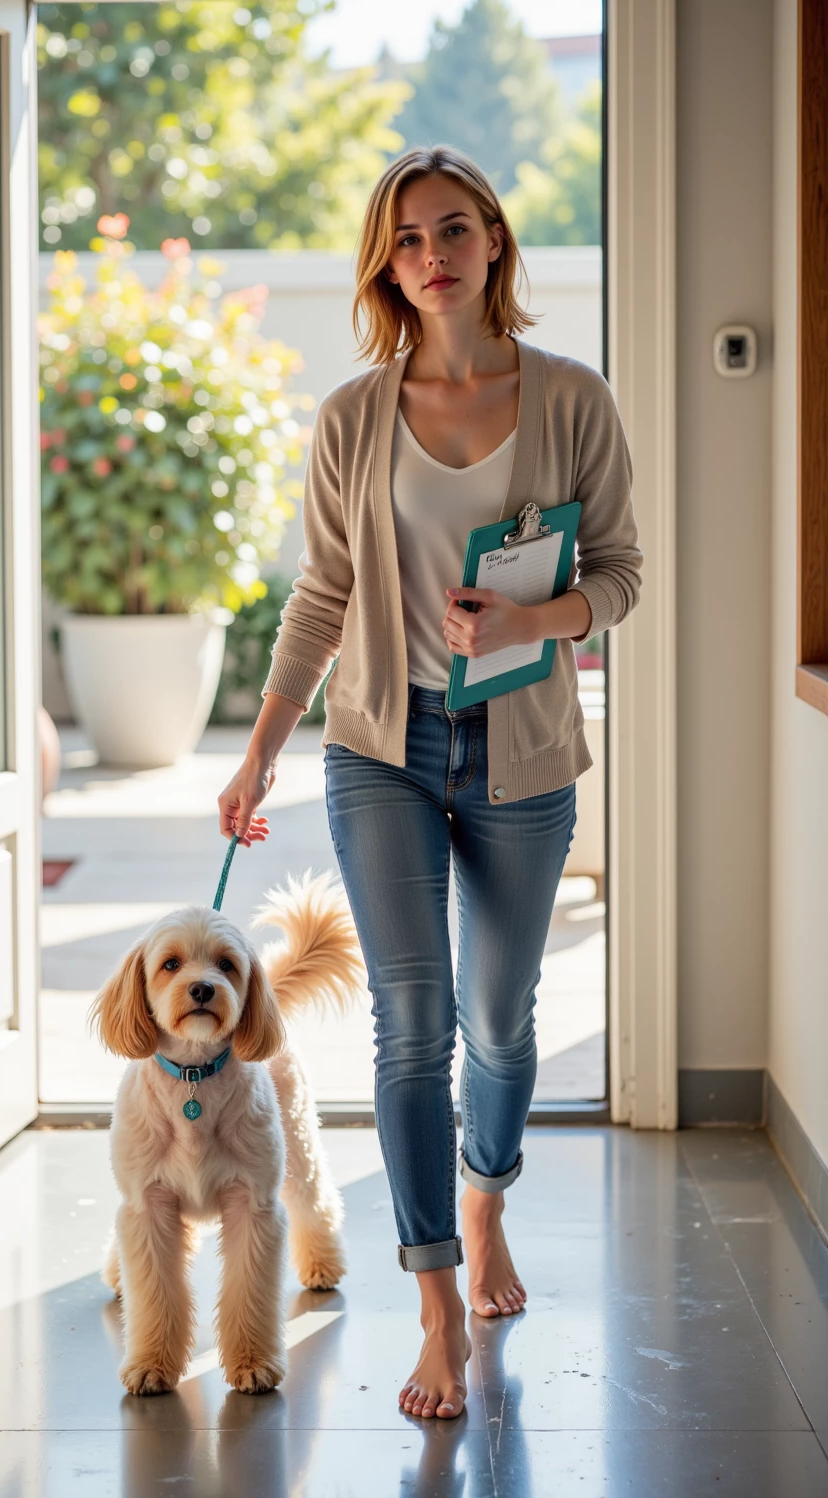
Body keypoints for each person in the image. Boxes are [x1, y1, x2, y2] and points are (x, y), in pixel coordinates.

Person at [217, 145, 642, 1420]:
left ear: (497, 241)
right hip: (378, 752)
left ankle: (485, 1193)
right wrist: (260, 742)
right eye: (406, 240)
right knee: (415, 1027)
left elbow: (618, 573)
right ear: (384, 263)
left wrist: (536, 623)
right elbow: (322, 591)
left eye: (453, 229)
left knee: (502, 1024)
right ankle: (436, 1301)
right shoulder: (353, 413)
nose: (432, 255)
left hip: (522, 756)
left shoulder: (570, 398)